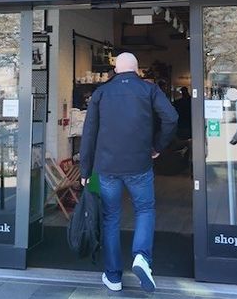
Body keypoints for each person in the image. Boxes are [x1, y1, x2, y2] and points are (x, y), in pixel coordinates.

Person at [80, 52, 178, 293]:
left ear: (115, 67)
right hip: (139, 165)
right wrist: (157, 145)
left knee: (111, 218)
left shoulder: (101, 93)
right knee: (144, 210)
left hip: (106, 167)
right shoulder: (149, 90)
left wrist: (85, 170)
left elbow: (89, 133)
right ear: (137, 69)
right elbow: (171, 117)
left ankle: (113, 276)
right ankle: (142, 257)